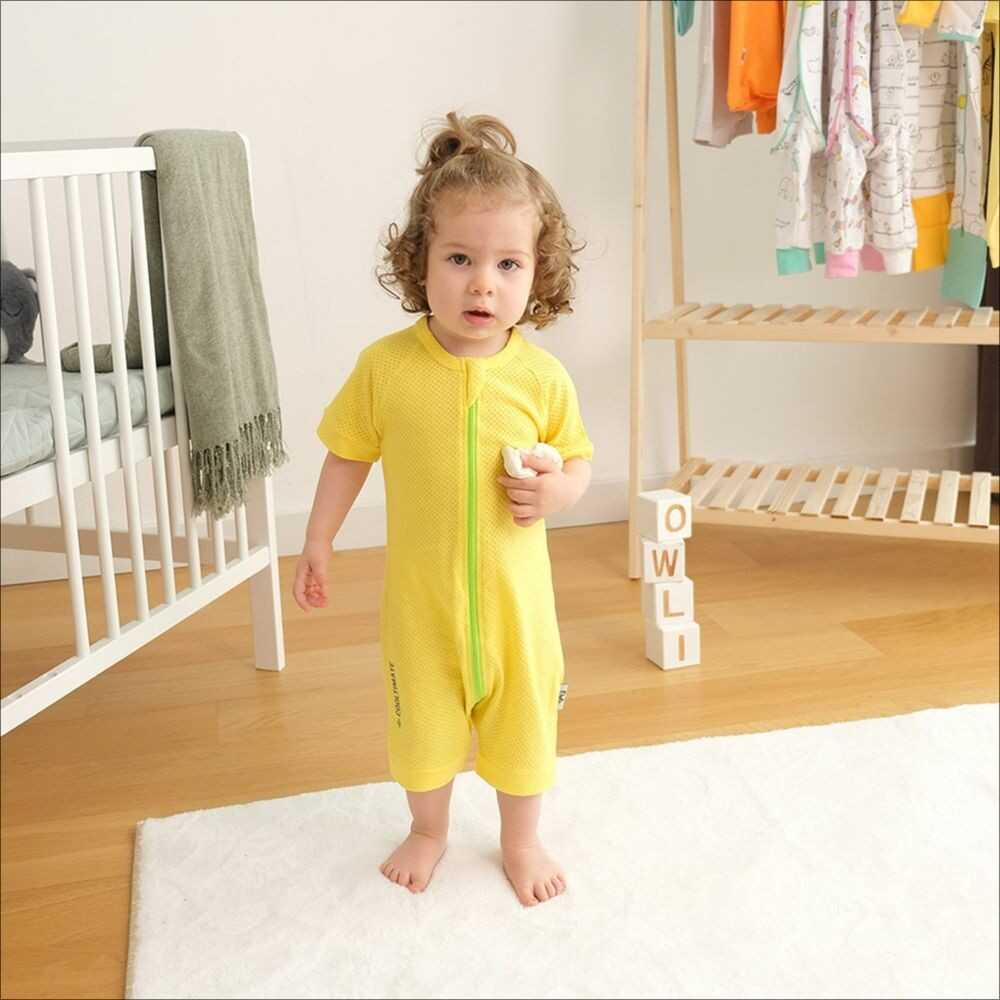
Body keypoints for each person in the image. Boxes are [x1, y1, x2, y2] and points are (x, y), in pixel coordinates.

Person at [292, 111, 594, 907]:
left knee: (524, 730)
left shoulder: (542, 378)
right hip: (420, 609)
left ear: (538, 274)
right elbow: (347, 454)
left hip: (519, 614)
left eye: (507, 263)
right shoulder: (386, 369)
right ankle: (428, 830)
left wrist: (559, 491)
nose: (482, 283)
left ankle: (520, 841)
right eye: (459, 258)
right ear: (419, 261)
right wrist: (318, 539)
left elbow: (578, 460)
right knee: (420, 732)